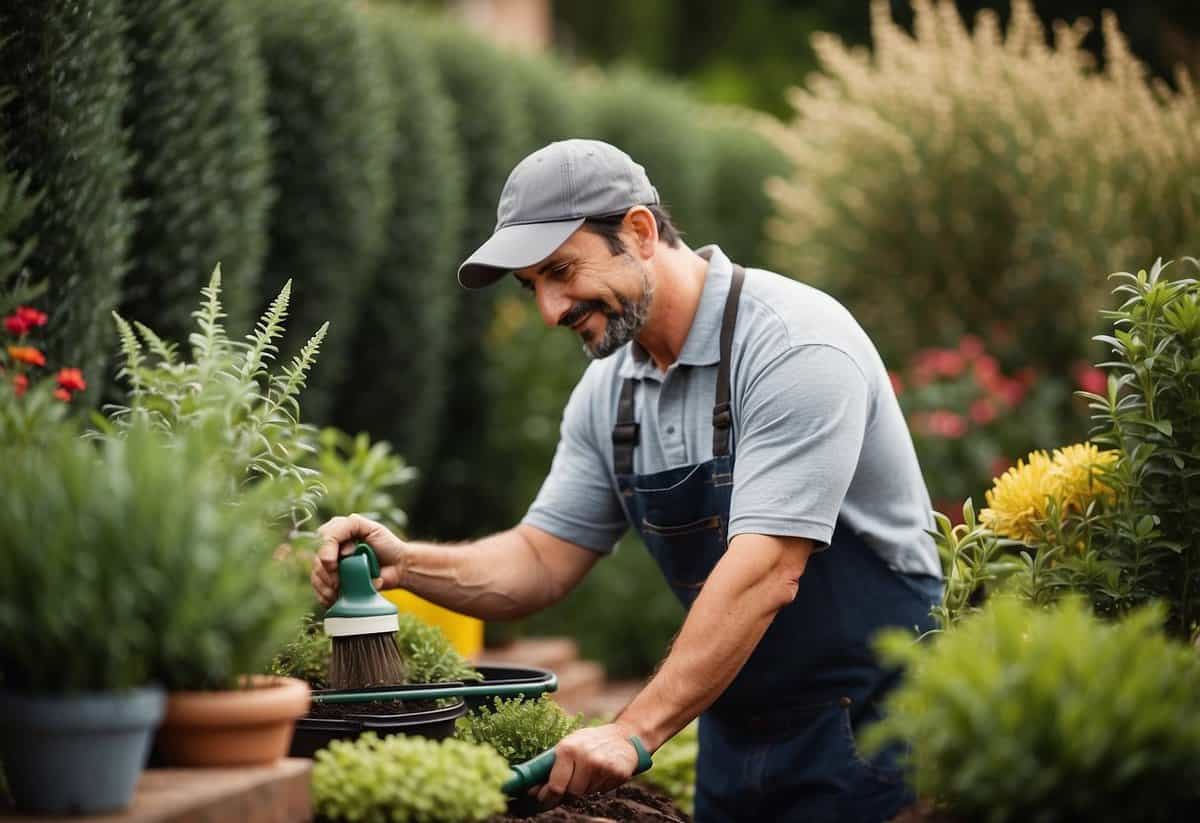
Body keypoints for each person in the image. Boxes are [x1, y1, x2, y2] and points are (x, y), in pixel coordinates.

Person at [312, 139, 943, 822]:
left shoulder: (792, 344)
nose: (550, 310)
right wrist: (407, 563)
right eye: (533, 288)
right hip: (735, 740)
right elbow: (538, 560)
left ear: (639, 232)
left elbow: (767, 571)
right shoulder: (608, 394)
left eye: (560, 270)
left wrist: (631, 730)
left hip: (878, 734)